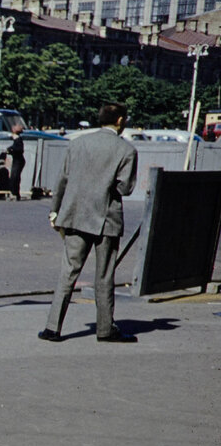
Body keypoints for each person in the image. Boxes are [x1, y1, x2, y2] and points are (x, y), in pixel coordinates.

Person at [39, 102, 139, 344]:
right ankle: (105, 329)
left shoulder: (77, 144)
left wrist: (55, 212)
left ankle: (53, 328)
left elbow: (62, 179)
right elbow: (125, 188)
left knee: (68, 272)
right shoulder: (126, 150)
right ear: (119, 121)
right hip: (106, 219)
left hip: (75, 215)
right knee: (104, 275)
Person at [6, 124, 25, 200]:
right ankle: (15, 192)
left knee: (15, 177)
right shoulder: (17, 141)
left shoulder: (18, 140)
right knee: (14, 176)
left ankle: (15, 193)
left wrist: (11, 150)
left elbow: (19, 150)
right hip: (17, 160)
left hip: (19, 161)